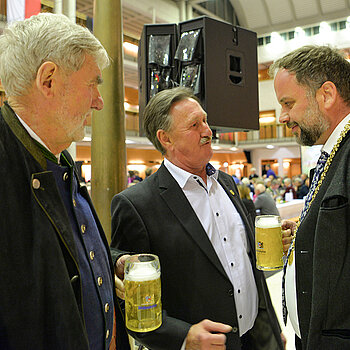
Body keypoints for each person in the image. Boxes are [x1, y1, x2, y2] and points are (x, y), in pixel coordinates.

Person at [111, 87, 287, 350]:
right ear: (165, 138)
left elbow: (246, 265)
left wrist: (271, 327)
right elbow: (131, 303)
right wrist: (181, 337)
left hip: (257, 338)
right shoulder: (137, 204)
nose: (208, 131)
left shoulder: (227, 184)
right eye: (194, 125)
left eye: (205, 120)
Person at [0, 13, 130, 350]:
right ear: (48, 81)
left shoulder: (61, 160)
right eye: (92, 84)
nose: (99, 101)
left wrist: (106, 259)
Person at [269, 45, 350, 349]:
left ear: (326, 95)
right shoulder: (333, 150)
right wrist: (308, 231)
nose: (282, 117)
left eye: (287, 103)